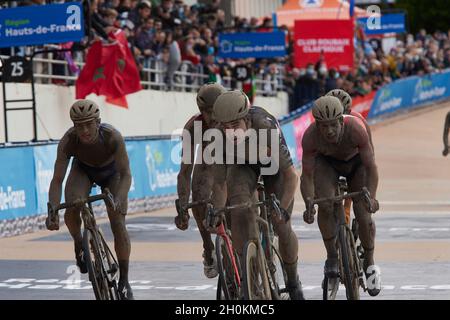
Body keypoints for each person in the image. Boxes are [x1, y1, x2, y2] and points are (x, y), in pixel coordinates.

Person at [211, 90, 305, 300]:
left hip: (274, 168)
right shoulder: (217, 135)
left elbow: (291, 176)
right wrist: (217, 210)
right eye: (225, 128)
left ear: (246, 118)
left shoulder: (264, 125)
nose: (230, 132)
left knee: (281, 224)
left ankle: (292, 280)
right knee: (239, 209)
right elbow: (219, 182)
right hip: (244, 165)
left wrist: (282, 206)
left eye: (235, 126)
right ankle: (250, 271)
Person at [45, 99, 134, 300]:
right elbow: (57, 180)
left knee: (118, 222)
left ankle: (125, 281)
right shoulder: (68, 141)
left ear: (98, 121)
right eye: (79, 126)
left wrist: (119, 199)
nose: (84, 130)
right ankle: (79, 243)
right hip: (83, 170)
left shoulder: (112, 137)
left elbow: (126, 174)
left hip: (113, 175)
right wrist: (52, 211)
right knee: (72, 206)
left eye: (88, 124)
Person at [300, 96, 381, 297]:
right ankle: (332, 257)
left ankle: (369, 262)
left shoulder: (356, 129)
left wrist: (371, 197)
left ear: (341, 121)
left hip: (357, 165)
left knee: (363, 213)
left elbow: (371, 167)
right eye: (323, 126)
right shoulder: (310, 137)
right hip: (327, 165)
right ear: (316, 124)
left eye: (332, 125)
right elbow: (307, 176)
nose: (328, 131)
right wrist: (309, 202)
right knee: (325, 205)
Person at [175, 82, 226, 278]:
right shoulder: (193, 127)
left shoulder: (235, 116)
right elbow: (184, 172)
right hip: (209, 160)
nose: (212, 117)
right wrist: (182, 204)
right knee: (198, 194)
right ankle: (208, 247)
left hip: (235, 159)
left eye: (216, 111)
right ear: (200, 111)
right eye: (207, 112)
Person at [326, 89, 374, 224]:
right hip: (334, 158)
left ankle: (349, 209)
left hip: (355, 157)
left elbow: (370, 155)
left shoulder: (359, 121)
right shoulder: (324, 121)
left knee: (357, 183)